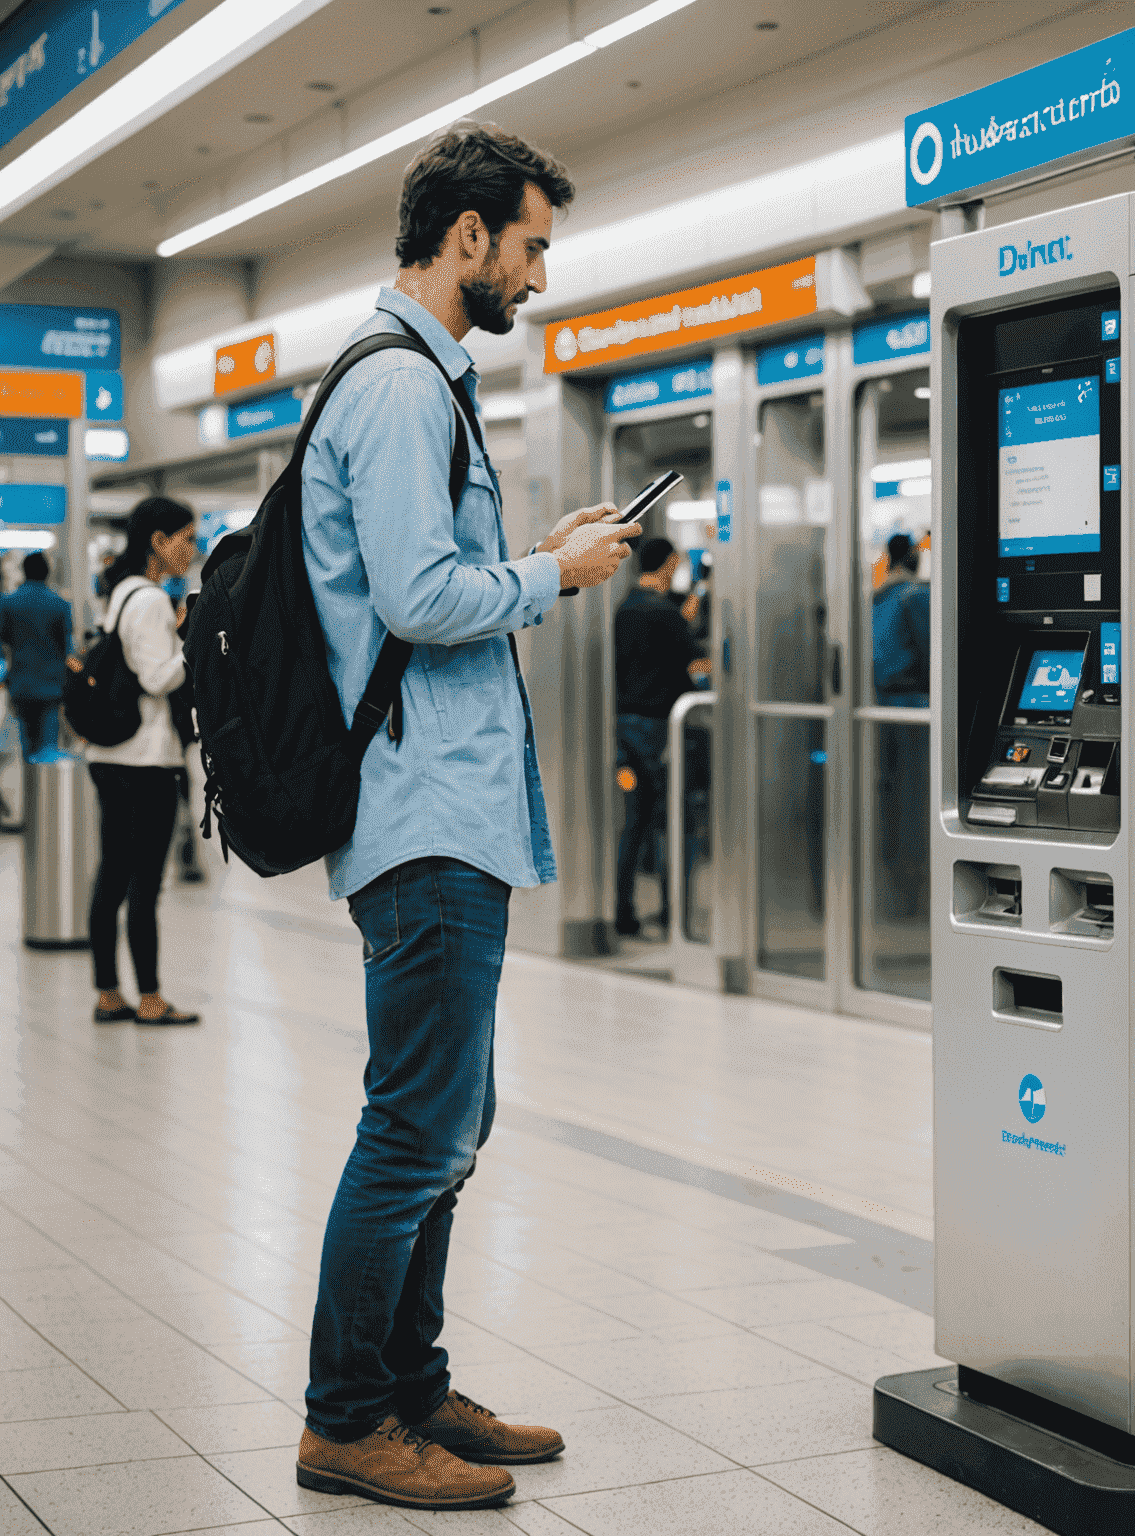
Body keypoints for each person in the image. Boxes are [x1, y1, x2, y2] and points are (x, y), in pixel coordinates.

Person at [295, 124, 637, 1514]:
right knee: (414, 1131)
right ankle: (345, 1417)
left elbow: (432, 578)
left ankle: (411, 1385)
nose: (542, 273)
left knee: (450, 1119)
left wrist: (540, 556)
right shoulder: (397, 392)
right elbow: (421, 600)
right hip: (423, 816)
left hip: (449, 813)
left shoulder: (428, 384)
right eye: (534, 243)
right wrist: (551, 577)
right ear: (466, 238)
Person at [84, 499, 201, 1025]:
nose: (190, 548)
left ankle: (109, 992)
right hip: (146, 759)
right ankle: (150, 999)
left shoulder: (121, 592)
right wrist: (192, 640)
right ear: (157, 539)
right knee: (143, 885)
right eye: (184, 537)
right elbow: (158, 678)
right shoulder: (150, 599)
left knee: (111, 876)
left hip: (108, 753)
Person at [613, 535, 708, 938]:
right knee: (676, 819)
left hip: (626, 726)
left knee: (634, 821)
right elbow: (695, 665)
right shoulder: (667, 616)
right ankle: (675, 912)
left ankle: (624, 910)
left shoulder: (624, 609)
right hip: (663, 730)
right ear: (669, 565)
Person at [0, 551, 72, 760]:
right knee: (47, 747)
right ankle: (46, 787)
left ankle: (29, 785)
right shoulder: (59, 604)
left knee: (26, 742)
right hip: (52, 683)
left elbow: (3, 639)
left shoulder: (8, 603)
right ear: (47, 572)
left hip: (21, 681)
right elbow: (65, 646)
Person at [870, 532, 930, 706]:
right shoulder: (914, 595)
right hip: (914, 698)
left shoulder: (879, 597)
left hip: (882, 697)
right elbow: (930, 647)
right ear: (911, 555)